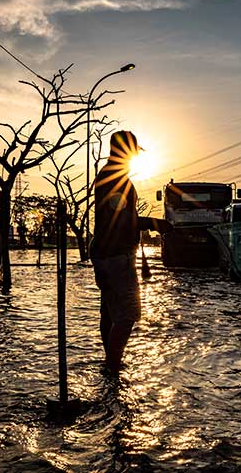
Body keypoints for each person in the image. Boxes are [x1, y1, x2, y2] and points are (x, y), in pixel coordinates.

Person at [90, 130, 171, 373]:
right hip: (116, 257)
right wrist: (157, 224)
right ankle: (113, 366)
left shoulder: (107, 177)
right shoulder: (116, 180)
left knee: (109, 312)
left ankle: (110, 365)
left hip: (105, 254)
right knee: (127, 316)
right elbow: (123, 221)